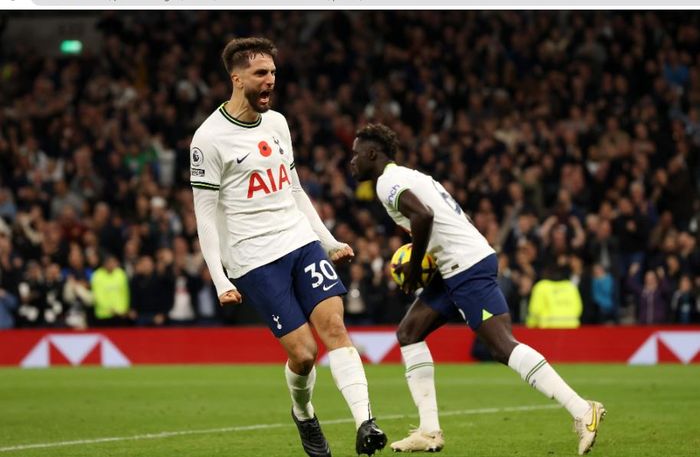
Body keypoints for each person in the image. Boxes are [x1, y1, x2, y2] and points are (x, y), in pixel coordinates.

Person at [350, 123, 605, 455]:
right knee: (409, 333)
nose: (351, 162)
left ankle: (582, 409)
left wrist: (414, 269)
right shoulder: (414, 176)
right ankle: (428, 432)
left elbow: (423, 216)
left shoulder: (388, 182)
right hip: (455, 264)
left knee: (502, 347)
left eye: (355, 155)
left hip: (465, 266)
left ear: (373, 154)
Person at [190, 37, 386, 457]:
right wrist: (220, 278)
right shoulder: (208, 139)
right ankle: (303, 413)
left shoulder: (277, 123)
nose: (270, 82)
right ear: (236, 77)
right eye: (261, 74)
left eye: (273, 73)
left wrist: (328, 240)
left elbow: (293, 189)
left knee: (335, 328)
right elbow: (205, 216)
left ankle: (366, 423)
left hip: (299, 241)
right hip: (253, 257)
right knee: (304, 354)